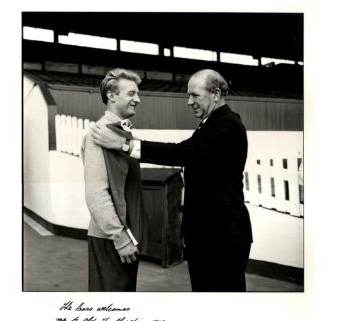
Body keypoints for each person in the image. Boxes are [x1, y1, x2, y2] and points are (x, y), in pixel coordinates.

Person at [90, 69, 253, 292]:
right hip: (211, 237)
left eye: (195, 95)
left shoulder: (227, 125)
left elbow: (184, 152)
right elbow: (96, 192)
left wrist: (125, 145)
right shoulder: (212, 124)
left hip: (221, 239)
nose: (189, 102)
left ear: (215, 94)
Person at [82, 68, 147, 292]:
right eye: (131, 93)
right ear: (111, 95)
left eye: (137, 94)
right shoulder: (98, 134)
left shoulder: (123, 132)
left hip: (124, 235)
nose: (137, 99)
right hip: (111, 238)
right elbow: (96, 194)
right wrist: (121, 239)